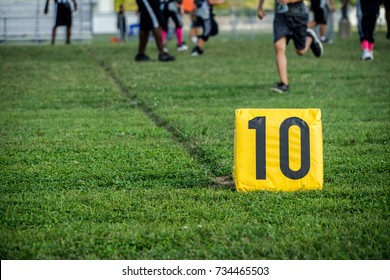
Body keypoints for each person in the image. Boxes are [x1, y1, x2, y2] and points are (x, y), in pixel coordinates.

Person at [257, 0, 323, 94]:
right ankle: (284, 84)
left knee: (300, 51)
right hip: (281, 17)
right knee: (279, 46)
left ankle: (309, 38)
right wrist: (260, 7)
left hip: (298, 16)